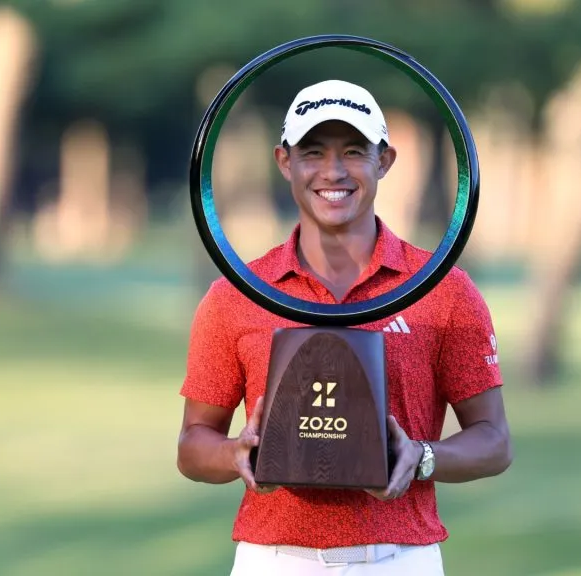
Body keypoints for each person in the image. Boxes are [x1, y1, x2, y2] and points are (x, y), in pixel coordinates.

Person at [177, 79, 512, 575]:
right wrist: (236, 454)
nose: (333, 171)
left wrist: (421, 457)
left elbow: (494, 441)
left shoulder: (445, 290)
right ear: (285, 161)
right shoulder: (234, 296)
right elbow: (192, 445)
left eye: (354, 150)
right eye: (313, 151)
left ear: (385, 160)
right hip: (274, 562)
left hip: (401, 561)